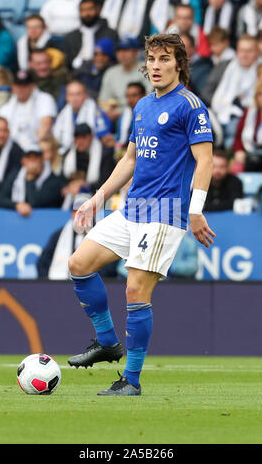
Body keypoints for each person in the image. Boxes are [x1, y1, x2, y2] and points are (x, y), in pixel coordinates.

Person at [67, 33, 215, 396]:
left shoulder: (191, 106)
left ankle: (130, 381)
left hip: (165, 214)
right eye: (151, 59)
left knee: (135, 290)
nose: (156, 66)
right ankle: (107, 343)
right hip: (132, 208)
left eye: (164, 59)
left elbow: (205, 160)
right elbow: (131, 159)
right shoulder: (143, 106)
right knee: (79, 264)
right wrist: (98, 198)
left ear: (179, 64)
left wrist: (195, 211)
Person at [0, 70, 57, 151]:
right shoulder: (6, 106)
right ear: (13, 87)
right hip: (11, 150)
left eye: (25, 86)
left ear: (32, 86)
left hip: (37, 147)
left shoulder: (45, 99)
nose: (21, 89)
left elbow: (45, 126)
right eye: (18, 86)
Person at [37, 192, 92, 279]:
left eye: (84, 211)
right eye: (76, 211)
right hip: (61, 285)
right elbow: (43, 263)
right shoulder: (59, 235)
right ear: (72, 214)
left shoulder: (101, 235)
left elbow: (108, 266)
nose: (80, 215)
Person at [0, 149, 64, 215]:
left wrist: (30, 178)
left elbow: (35, 204)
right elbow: (0, 199)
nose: (32, 162)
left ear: (42, 160)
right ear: (23, 161)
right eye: (29, 158)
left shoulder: (53, 180)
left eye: (36, 158)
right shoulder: (15, 176)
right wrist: (17, 205)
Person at [98, 38, 152, 119]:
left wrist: (121, 112)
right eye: (119, 51)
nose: (122, 54)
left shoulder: (147, 69)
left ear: (136, 52)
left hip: (143, 115)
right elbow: (104, 102)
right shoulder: (110, 73)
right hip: (114, 119)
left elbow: (149, 100)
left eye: (126, 50)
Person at [53, 80, 112, 154]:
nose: (75, 98)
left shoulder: (95, 111)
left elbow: (104, 135)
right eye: (71, 94)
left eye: (78, 94)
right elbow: (56, 137)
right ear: (66, 97)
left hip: (94, 152)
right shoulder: (62, 115)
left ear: (85, 95)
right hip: (69, 153)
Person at [231, 80, 262, 173]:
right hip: (249, 154)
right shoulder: (249, 113)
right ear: (256, 97)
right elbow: (238, 137)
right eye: (261, 94)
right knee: (235, 169)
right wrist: (239, 151)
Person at [62, 0, 118, 73]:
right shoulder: (70, 37)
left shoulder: (110, 34)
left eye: (90, 9)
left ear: (98, 10)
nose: (87, 13)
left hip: (103, 72)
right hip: (76, 73)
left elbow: (114, 60)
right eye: (83, 10)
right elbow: (67, 63)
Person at [62, 123, 116, 192]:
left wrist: (86, 186)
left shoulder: (105, 154)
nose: (80, 141)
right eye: (77, 137)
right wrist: (68, 186)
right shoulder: (69, 155)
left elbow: (108, 181)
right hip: (73, 193)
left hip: (97, 194)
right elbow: (62, 179)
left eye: (83, 137)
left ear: (91, 137)